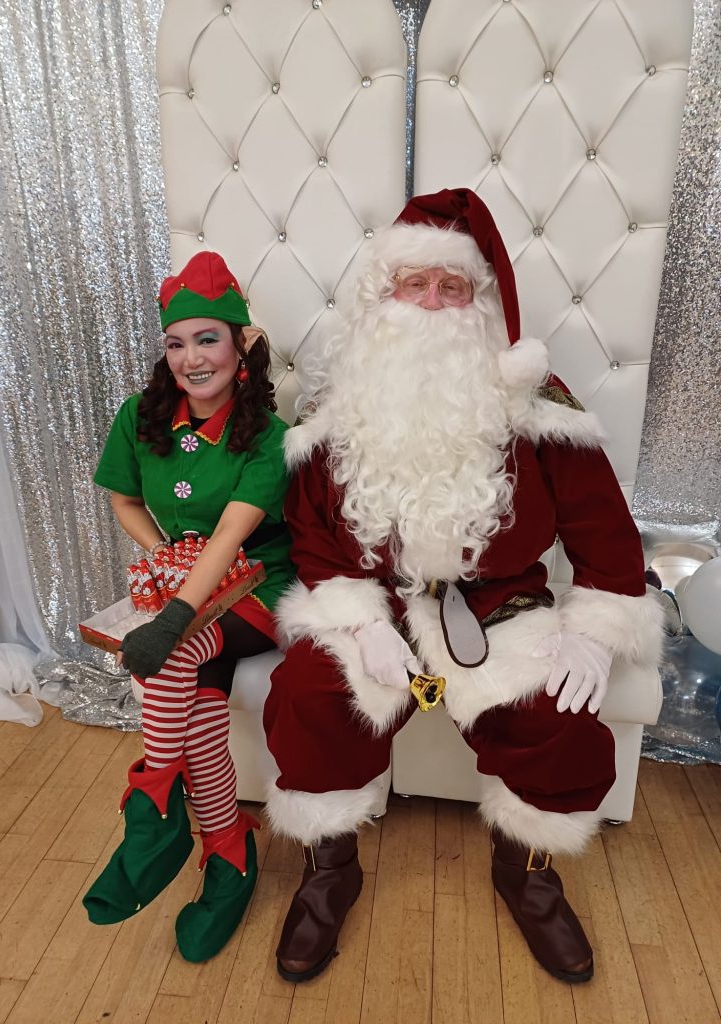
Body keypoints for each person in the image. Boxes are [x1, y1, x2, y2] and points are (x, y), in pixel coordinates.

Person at [263, 188, 664, 984]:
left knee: (561, 711)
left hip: (497, 606)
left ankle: (528, 874)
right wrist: (361, 622)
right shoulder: (335, 412)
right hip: (375, 607)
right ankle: (329, 867)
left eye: (455, 289)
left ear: (483, 303)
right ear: (384, 296)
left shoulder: (541, 410)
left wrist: (591, 631)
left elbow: (605, 537)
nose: (434, 304)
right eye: (417, 284)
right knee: (308, 693)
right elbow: (313, 536)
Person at [82, 250, 294, 963]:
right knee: (197, 702)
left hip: (259, 584)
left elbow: (233, 536)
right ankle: (229, 854)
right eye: (177, 343)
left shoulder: (265, 434)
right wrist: (162, 556)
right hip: (195, 580)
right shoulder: (140, 417)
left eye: (208, 339)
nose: (191, 358)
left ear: (241, 349)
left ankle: (150, 809)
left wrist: (174, 616)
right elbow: (123, 497)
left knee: (171, 653)